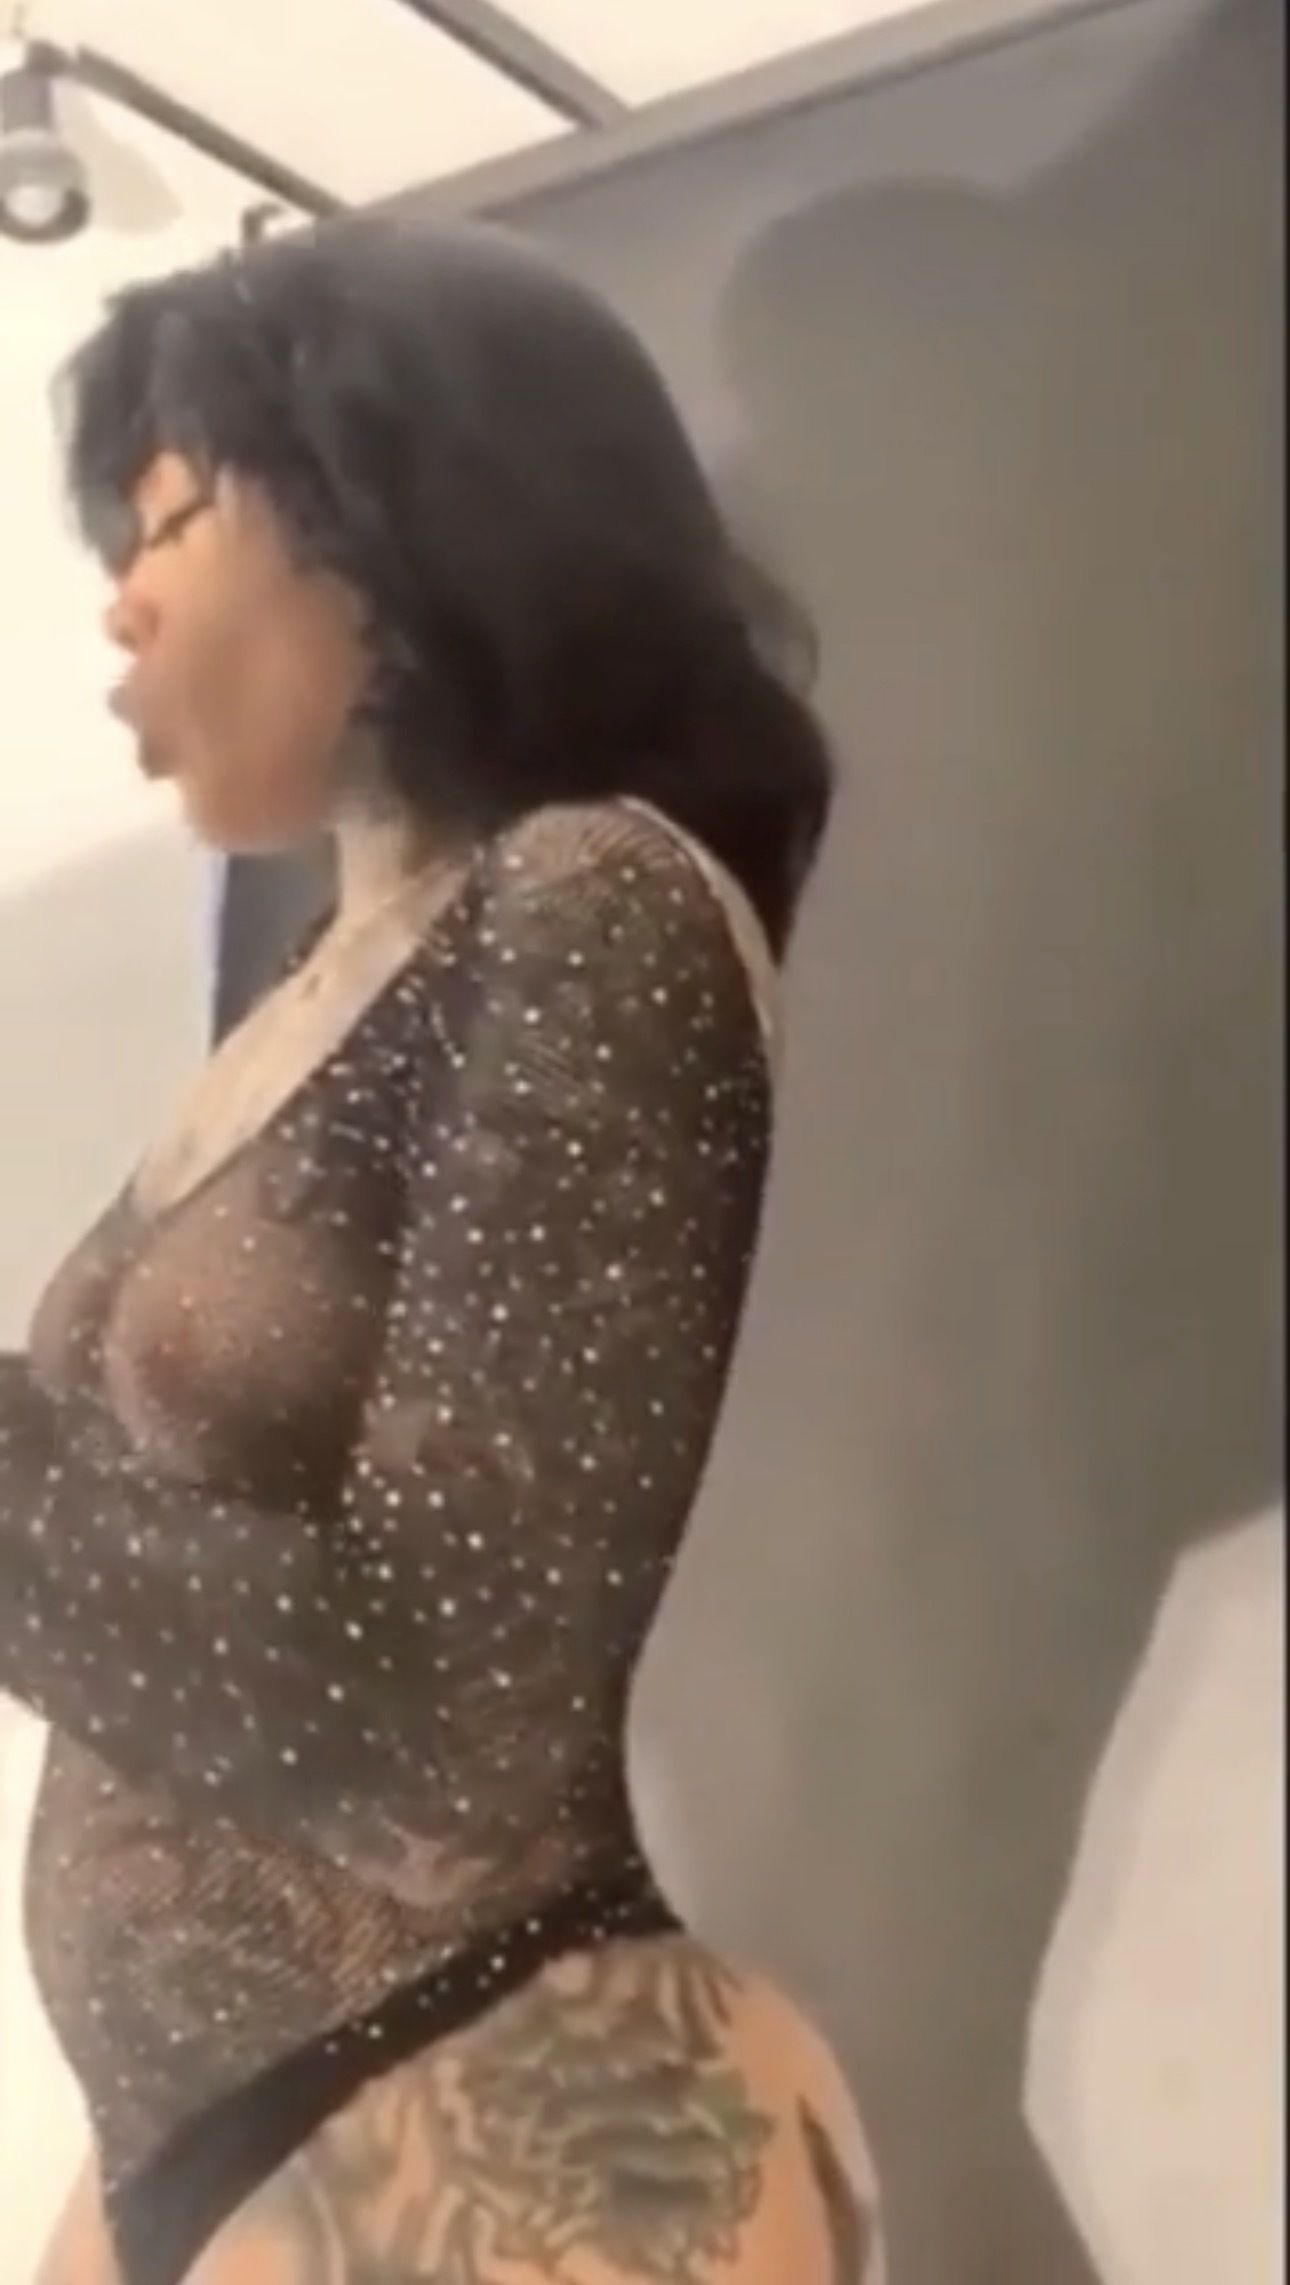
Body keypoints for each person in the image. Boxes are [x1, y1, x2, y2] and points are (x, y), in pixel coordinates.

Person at [0, 217, 880, 2285]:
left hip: (502, 2093)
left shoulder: (588, 900)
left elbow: (444, 1729)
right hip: (221, 2131)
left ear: (392, 518)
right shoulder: (328, 983)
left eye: (172, 520)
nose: (119, 601)